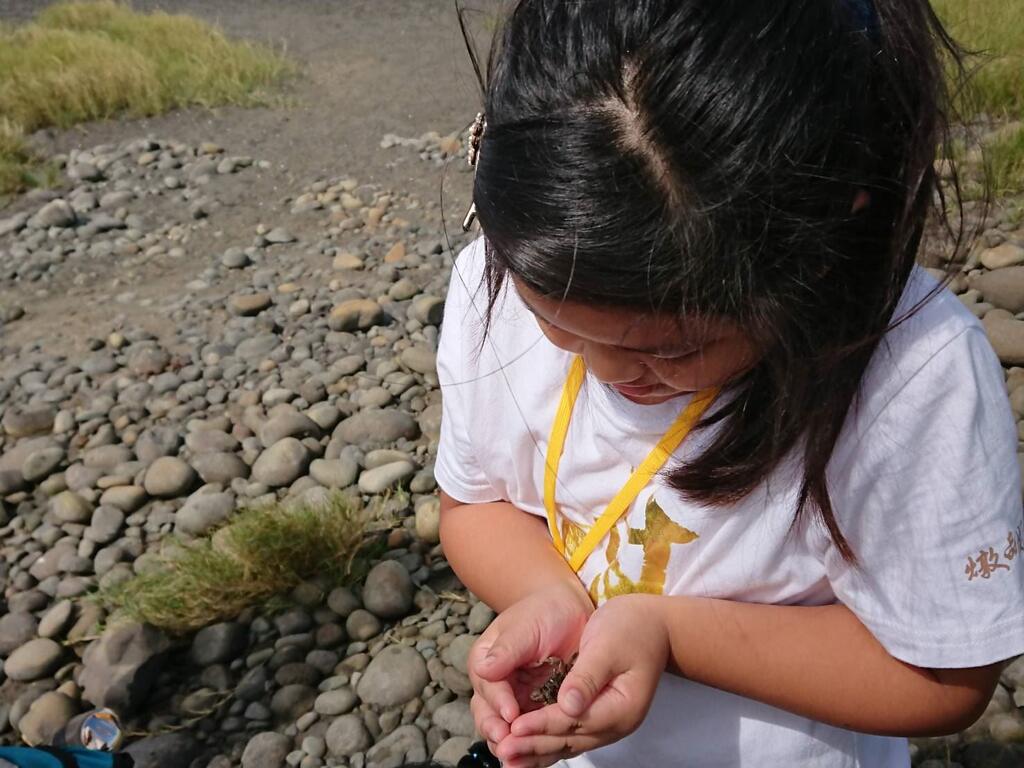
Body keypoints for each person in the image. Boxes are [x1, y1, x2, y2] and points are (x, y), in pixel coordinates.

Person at [434, 1, 1024, 767]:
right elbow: (474, 506)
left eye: (674, 349)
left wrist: (667, 635)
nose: (606, 370)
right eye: (558, 324)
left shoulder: (912, 376)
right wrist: (548, 595)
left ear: (820, 249)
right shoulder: (496, 282)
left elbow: (944, 680)